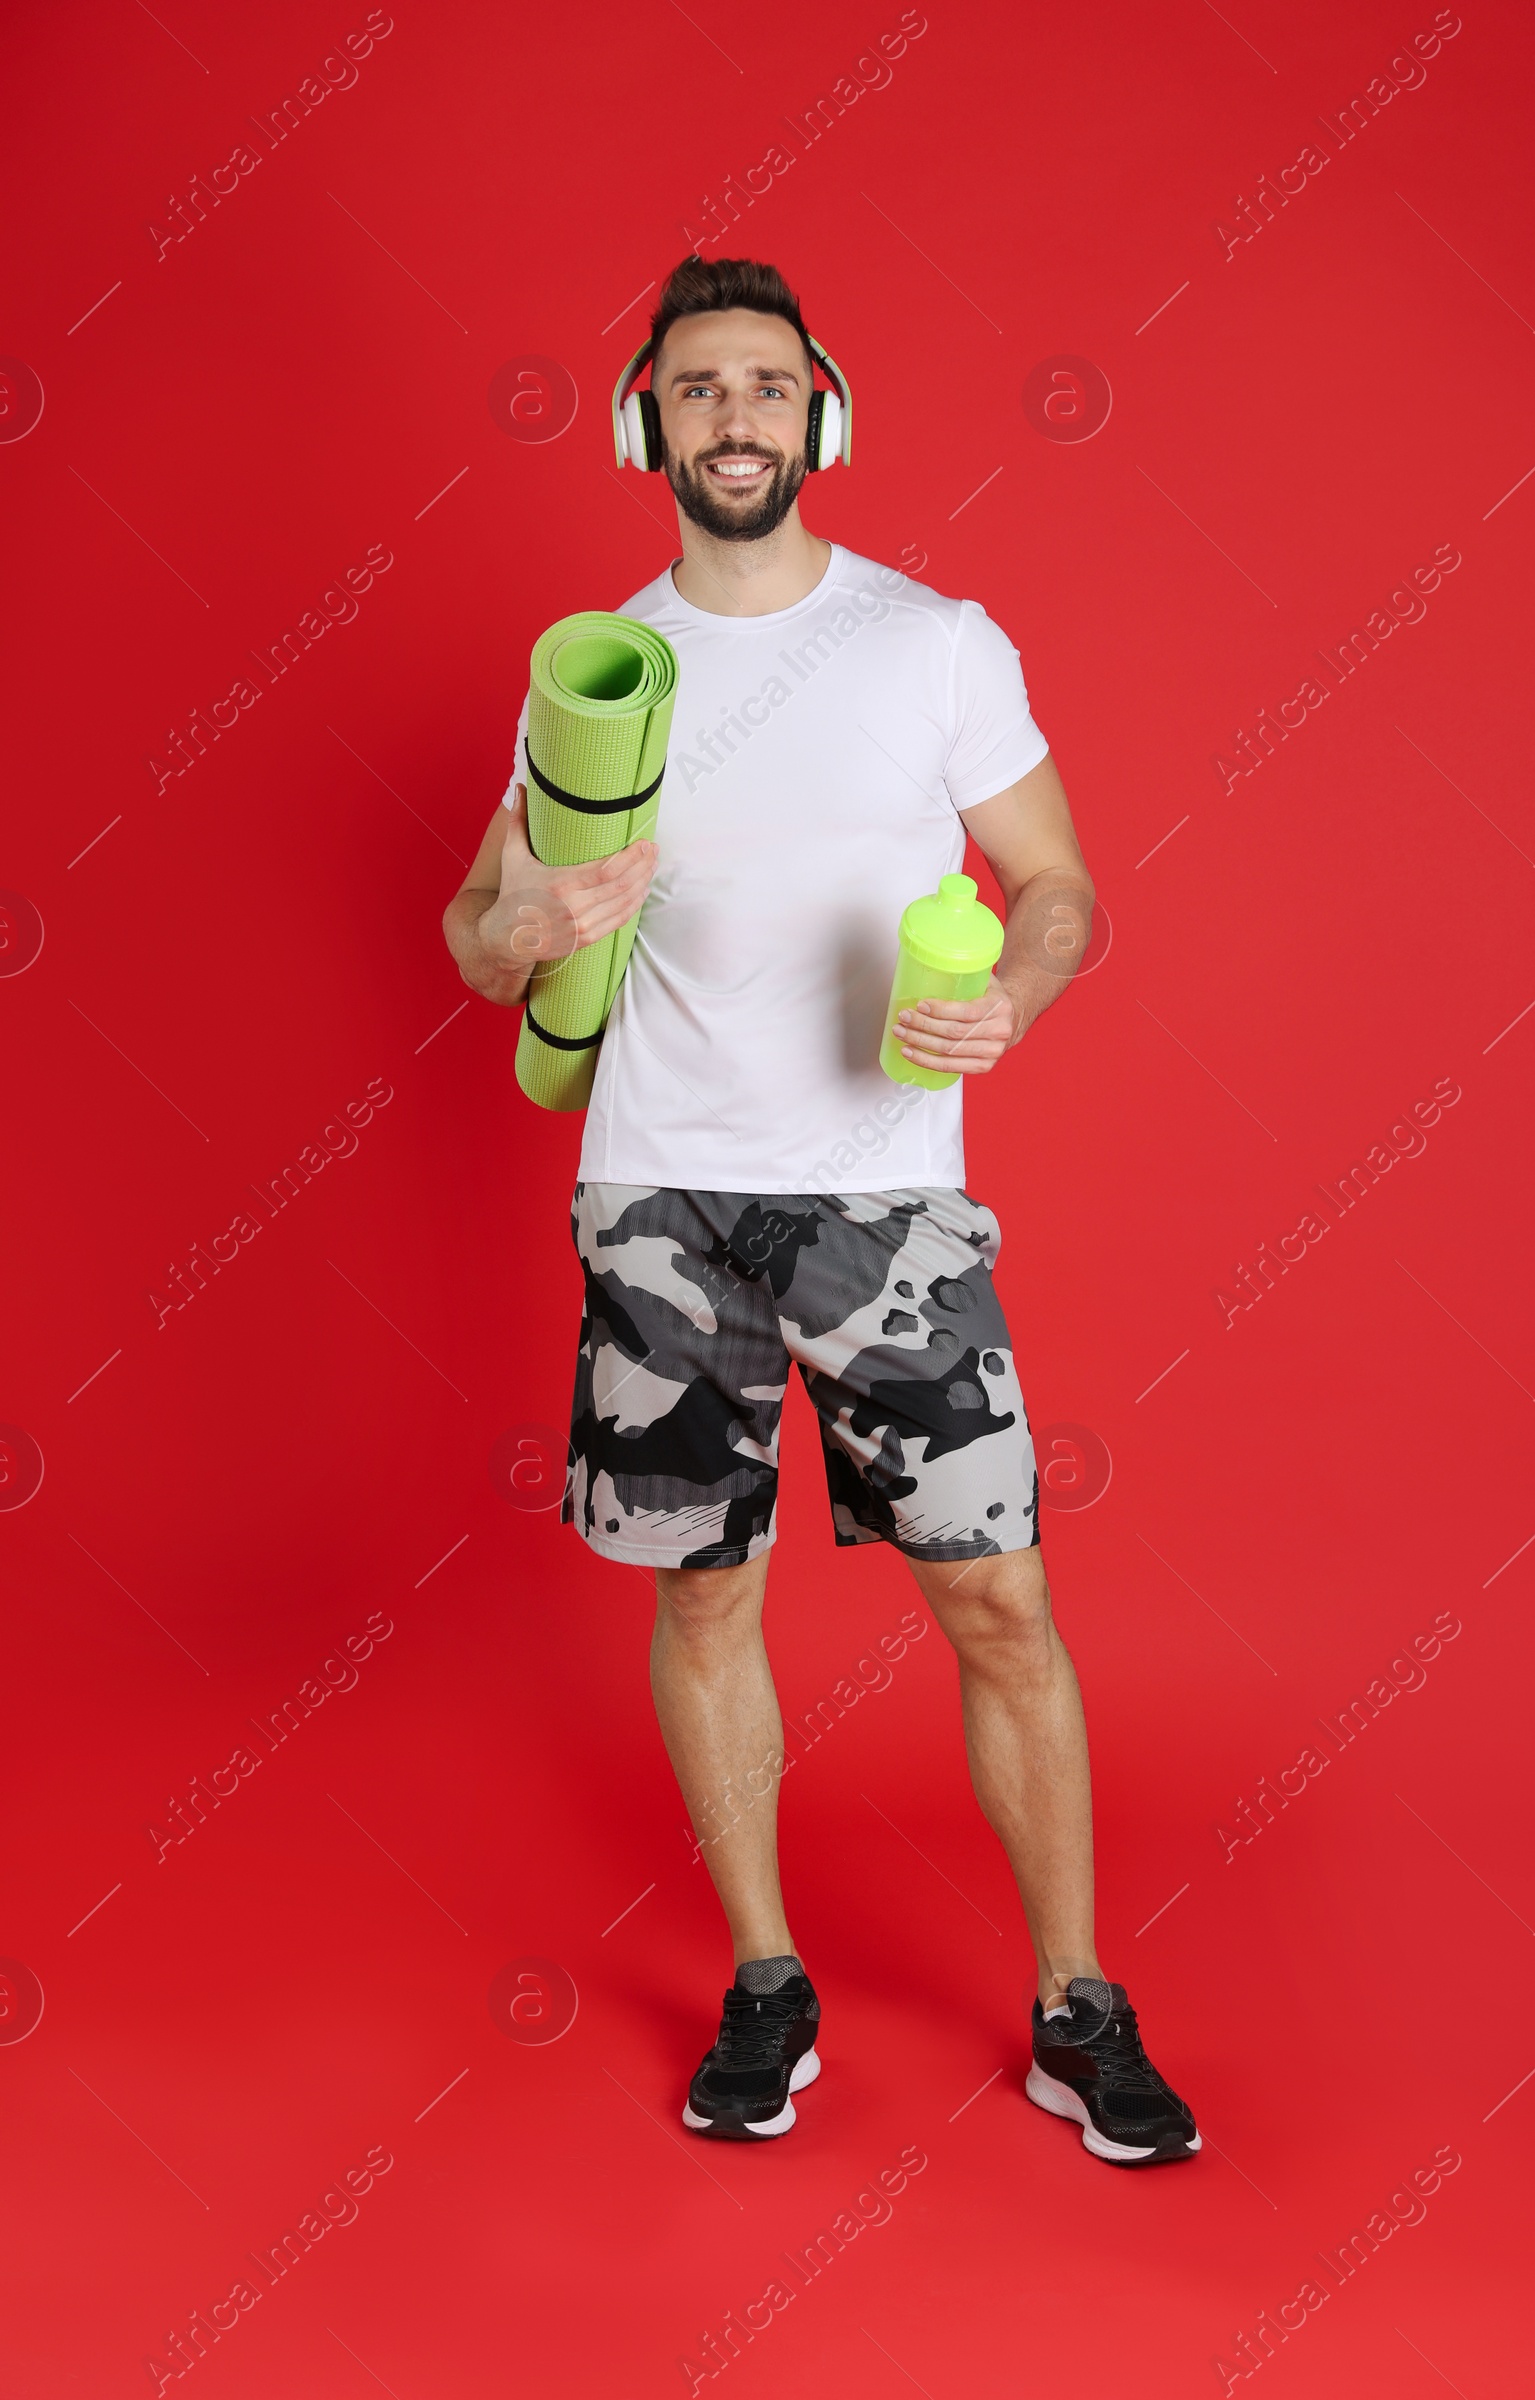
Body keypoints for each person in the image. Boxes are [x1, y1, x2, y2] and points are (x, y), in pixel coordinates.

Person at [443, 255, 1199, 2167]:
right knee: (707, 1593)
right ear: (647, 427)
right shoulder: (594, 679)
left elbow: (1063, 886)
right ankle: (768, 1982)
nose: (736, 419)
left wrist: (1015, 994)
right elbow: (475, 930)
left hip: (888, 1203)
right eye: (697, 391)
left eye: (767, 388)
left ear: (822, 415)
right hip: (659, 1198)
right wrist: (517, 927)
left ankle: (1074, 2006)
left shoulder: (931, 643)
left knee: (999, 1597)